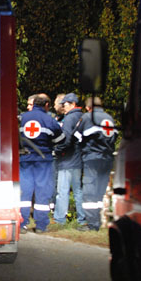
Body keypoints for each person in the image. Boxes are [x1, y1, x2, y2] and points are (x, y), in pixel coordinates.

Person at [19, 93, 64, 233]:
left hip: (24, 159)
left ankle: (21, 223)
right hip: (44, 161)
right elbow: (60, 139)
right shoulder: (50, 120)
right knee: (42, 191)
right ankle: (41, 226)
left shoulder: (21, 118)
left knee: (24, 191)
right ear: (46, 105)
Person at [74, 97, 118, 231]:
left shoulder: (88, 117)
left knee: (89, 191)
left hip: (92, 158)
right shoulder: (110, 118)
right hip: (108, 159)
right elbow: (114, 137)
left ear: (88, 107)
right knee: (100, 191)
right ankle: (99, 220)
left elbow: (76, 136)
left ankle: (92, 224)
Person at [53, 93, 86, 227]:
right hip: (78, 159)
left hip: (67, 159)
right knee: (78, 191)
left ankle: (59, 219)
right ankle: (82, 219)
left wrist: (57, 150)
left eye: (65, 104)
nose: (63, 107)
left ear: (72, 104)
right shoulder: (82, 117)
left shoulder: (69, 118)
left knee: (62, 191)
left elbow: (66, 139)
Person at [49, 93, 65, 212]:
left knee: (56, 182)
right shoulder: (57, 118)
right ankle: (54, 206)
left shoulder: (66, 119)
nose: (54, 106)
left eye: (55, 103)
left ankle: (54, 206)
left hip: (61, 155)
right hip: (60, 155)